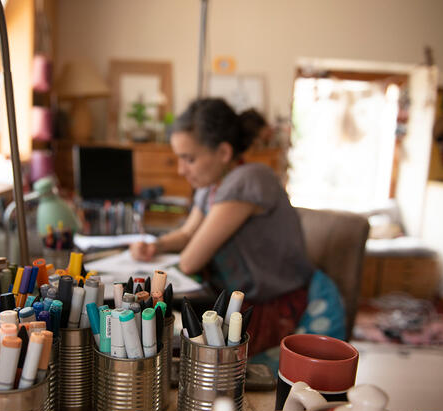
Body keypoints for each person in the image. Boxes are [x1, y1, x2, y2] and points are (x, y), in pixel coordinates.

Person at [129, 98, 315, 356]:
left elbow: (191, 261)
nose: (182, 170)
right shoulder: (211, 186)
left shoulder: (248, 180)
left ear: (224, 153)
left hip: (266, 312)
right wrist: (154, 245)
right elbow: (187, 233)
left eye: (189, 159)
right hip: (232, 304)